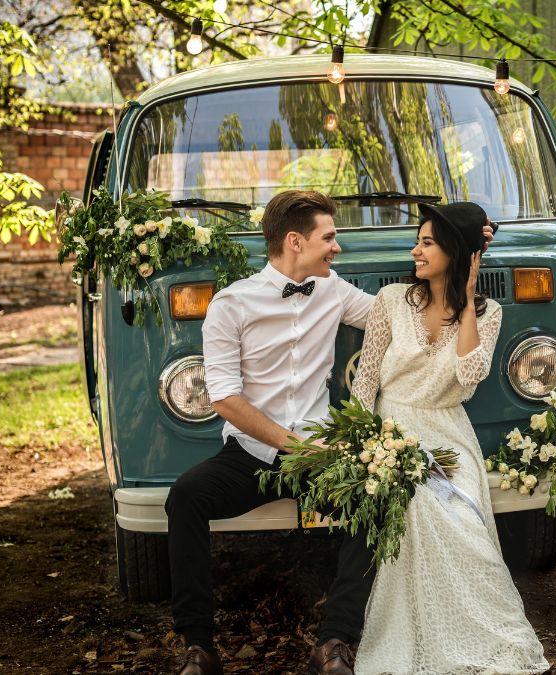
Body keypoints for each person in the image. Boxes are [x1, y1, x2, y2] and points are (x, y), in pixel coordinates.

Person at [164, 190, 494, 675]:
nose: (337, 248)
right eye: (330, 238)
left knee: (376, 498)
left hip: (321, 460)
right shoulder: (231, 305)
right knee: (186, 497)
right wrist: (296, 444)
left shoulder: (334, 290)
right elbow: (226, 400)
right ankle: (199, 647)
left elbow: (405, 315)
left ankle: (335, 643)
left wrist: (464, 243)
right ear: (295, 242)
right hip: (254, 455)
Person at [349, 201, 550, 674]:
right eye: (418, 241)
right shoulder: (391, 300)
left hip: (447, 432)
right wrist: (361, 443)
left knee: (464, 526)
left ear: (455, 251)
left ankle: (486, 632)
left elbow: (471, 372)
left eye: (427, 242)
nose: (415, 250)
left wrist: (469, 295)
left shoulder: (488, 311)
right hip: (392, 430)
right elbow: (366, 382)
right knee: (418, 507)